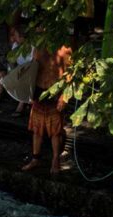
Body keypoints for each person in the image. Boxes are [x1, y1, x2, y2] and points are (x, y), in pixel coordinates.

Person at [20, 43, 72, 173]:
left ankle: (55, 160)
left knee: (55, 131)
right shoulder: (38, 46)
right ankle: (35, 159)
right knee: (36, 129)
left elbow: (70, 75)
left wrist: (64, 97)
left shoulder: (66, 48)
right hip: (38, 91)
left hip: (55, 92)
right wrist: (30, 91)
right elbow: (33, 68)